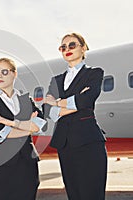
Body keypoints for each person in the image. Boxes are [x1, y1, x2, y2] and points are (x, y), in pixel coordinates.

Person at [43, 32, 107, 200]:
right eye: (63, 47)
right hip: (65, 144)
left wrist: (57, 103)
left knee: (92, 193)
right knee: (74, 194)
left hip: (89, 141)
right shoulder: (55, 80)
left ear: (83, 48)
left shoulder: (94, 73)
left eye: (72, 45)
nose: (67, 49)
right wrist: (75, 102)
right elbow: (47, 110)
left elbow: (87, 100)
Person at [0, 58, 46, 200]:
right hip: (3, 163)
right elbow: (2, 133)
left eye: (4, 72)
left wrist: (10, 123)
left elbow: (40, 125)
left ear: (14, 74)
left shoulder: (26, 100)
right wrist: (28, 126)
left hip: (27, 161)